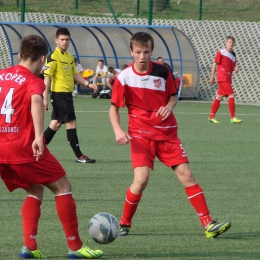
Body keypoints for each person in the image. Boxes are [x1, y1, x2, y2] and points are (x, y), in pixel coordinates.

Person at [109, 32, 231, 239]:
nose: (142, 56)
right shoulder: (124, 78)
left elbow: (173, 97)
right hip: (140, 135)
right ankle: (125, 222)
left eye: (146, 52)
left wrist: (168, 106)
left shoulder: (162, 71)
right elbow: (114, 108)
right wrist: (118, 130)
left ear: (151, 51)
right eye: (137, 52)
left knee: (187, 175)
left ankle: (208, 223)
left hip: (167, 134)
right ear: (131, 52)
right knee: (141, 179)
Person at [0, 35, 103, 259]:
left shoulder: (1, 75)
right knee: (63, 186)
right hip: (22, 147)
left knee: (35, 188)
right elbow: (37, 100)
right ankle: (75, 247)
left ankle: (30, 247)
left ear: (19, 55)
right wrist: (39, 136)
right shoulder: (33, 80)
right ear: (43, 59)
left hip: (1, 149)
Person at [43, 27, 97, 163]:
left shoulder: (68, 57)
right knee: (71, 123)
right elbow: (47, 78)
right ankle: (79, 156)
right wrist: (44, 97)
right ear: (56, 40)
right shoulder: (52, 58)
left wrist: (88, 84)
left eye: (67, 39)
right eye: (62, 39)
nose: (65, 42)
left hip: (66, 95)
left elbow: (75, 75)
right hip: (59, 95)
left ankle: (36, 149)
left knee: (55, 125)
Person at [208, 35, 242, 124]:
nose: (231, 44)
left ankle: (211, 116)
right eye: (229, 42)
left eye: (232, 42)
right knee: (231, 94)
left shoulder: (233, 55)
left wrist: (235, 68)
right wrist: (212, 76)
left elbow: (233, 65)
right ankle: (233, 117)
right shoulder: (221, 52)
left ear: (234, 44)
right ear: (226, 43)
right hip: (222, 77)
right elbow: (215, 64)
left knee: (219, 96)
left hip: (228, 77)